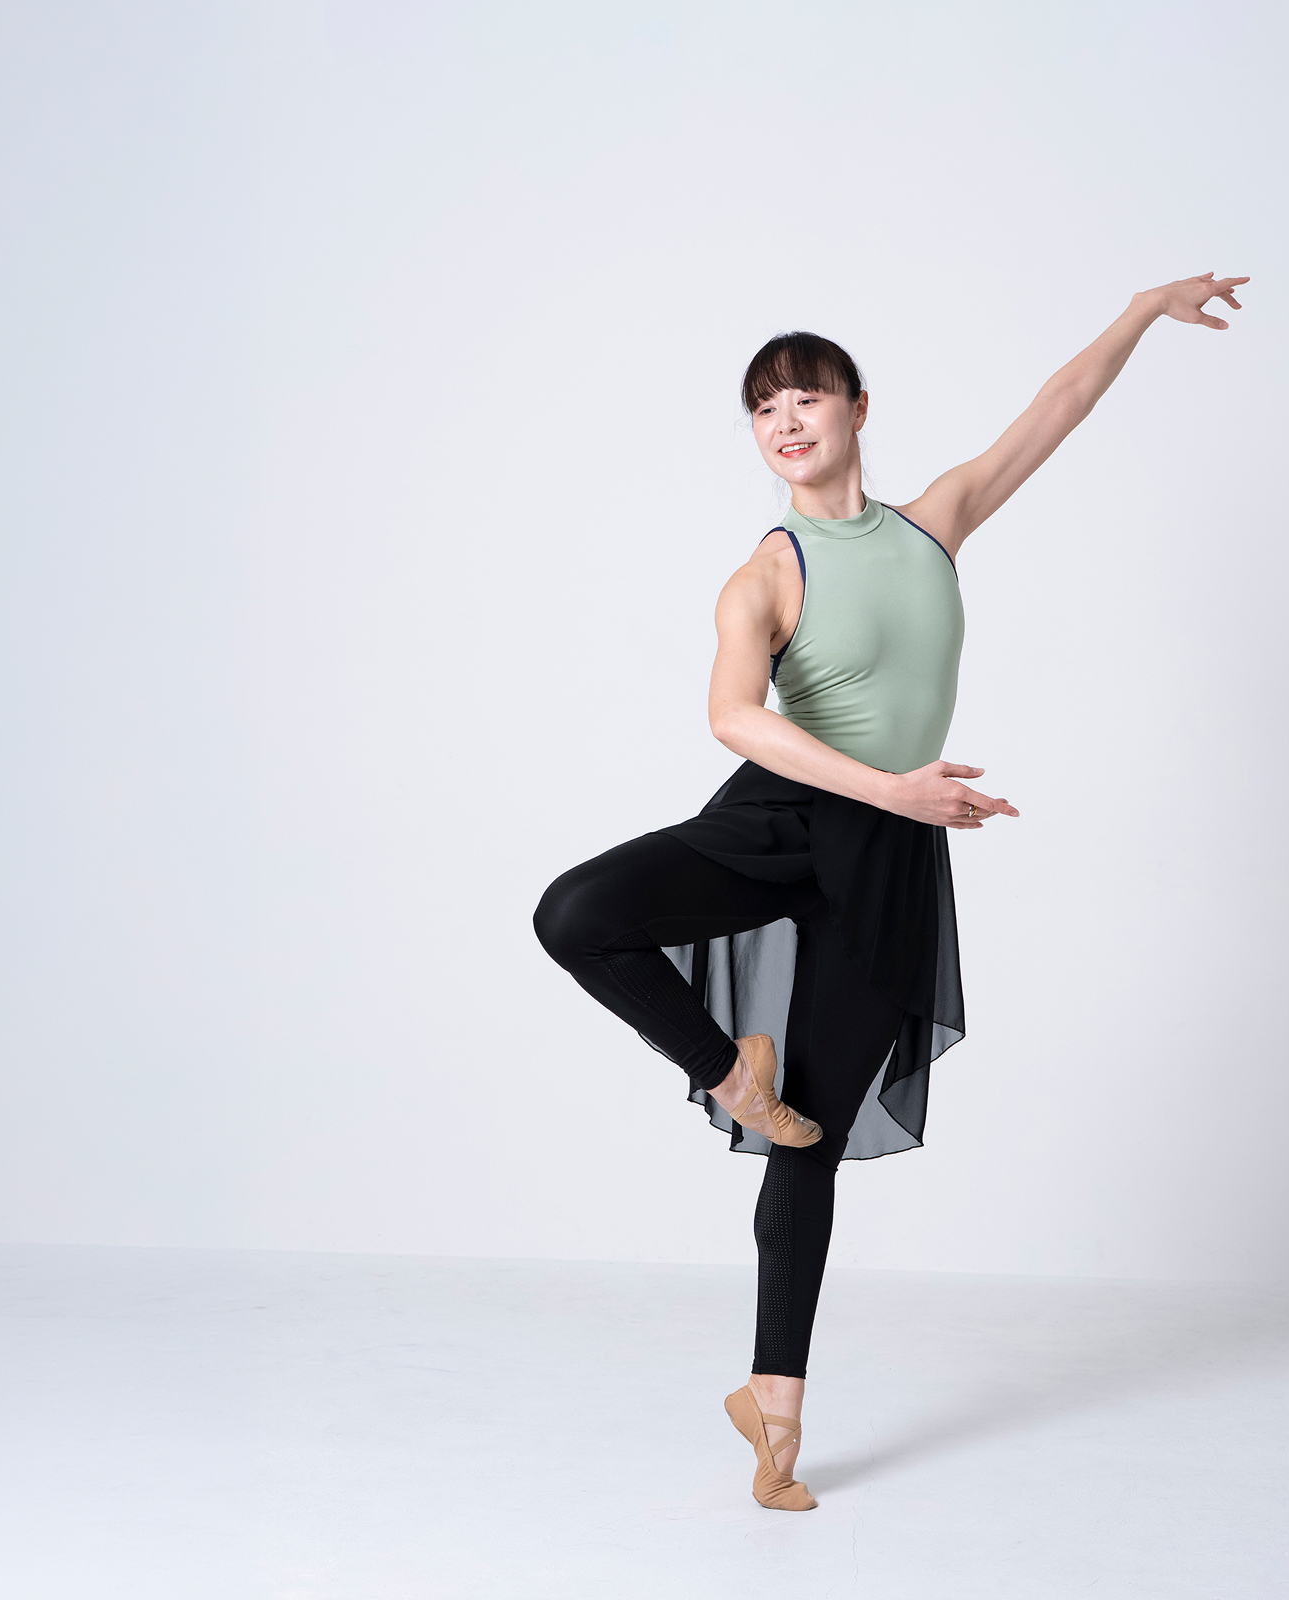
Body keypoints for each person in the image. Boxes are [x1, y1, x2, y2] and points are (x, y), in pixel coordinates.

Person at [534, 271, 1249, 1511]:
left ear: (858, 407)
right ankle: (727, 1069)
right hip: (785, 818)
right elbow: (731, 716)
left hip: (890, 862)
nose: (785, 421)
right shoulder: (765, 570)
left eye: (807, 397)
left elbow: (1058, 406)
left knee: (807, 1136)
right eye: (764, 407)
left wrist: (1140, 310)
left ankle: (774, 1411)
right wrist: (888, 788)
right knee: (576, 913)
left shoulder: (935, 525)